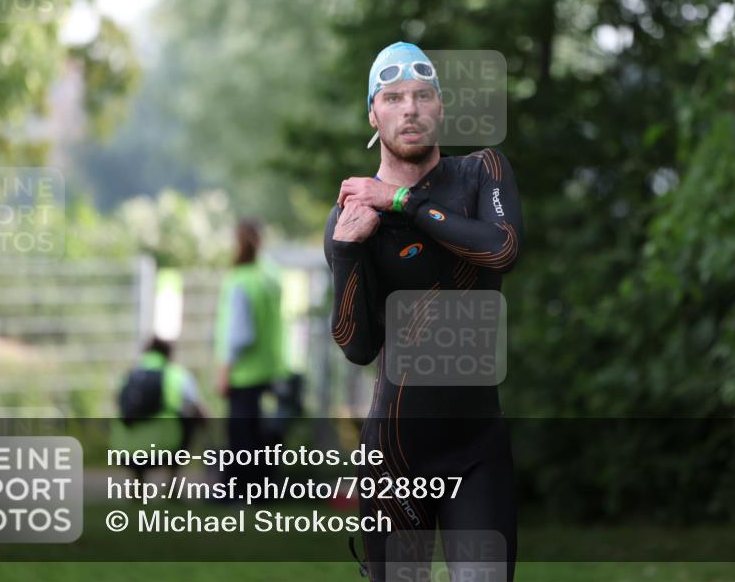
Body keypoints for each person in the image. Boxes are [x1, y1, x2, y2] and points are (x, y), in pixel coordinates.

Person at [324, 42, 523, 581]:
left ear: (440, 107)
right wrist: (346, 252)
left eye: (422, 95)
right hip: (394, 454)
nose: (409, 108)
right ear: (373, 113)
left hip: (476, 450)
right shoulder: (351, 213)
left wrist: (401, 201)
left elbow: (501, 249)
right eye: (392, 98)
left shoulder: (481, 173)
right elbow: (357, 345)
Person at [215, 218, 289, 489]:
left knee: (241, 436)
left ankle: (236, 490)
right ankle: (263, 489)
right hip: (270, 366)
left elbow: (239, 333)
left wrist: (224, 369)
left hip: (244, 371)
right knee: (261, 436)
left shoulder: (240, 279)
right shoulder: (270, 276)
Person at [115, 337, 206, 482]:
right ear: (170, 354)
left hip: (127, 452)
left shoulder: (129, 375)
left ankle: (138, 483)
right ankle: (172, 482)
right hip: (165, 448)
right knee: (190, 418)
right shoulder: (177, 375)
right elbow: (197, 406)